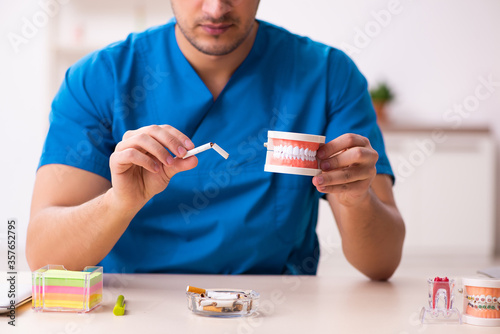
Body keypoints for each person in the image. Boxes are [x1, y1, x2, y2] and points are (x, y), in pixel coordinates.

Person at [26, 0, 405, 280]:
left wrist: (357, 200)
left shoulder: (326, 76)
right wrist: (118, 203)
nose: (216, 7)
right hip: (134, 309)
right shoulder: (99, 79)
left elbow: (382, 262)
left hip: (276, 310)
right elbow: (44, 258)